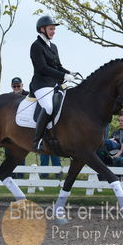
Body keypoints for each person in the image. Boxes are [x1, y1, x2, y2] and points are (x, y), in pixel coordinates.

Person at [30, 15, 75, 152]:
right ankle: (37, 141)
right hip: (41, 84)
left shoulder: (53, 46)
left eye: (54, 29)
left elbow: (58, 66)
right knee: (49, 107)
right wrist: (63, 75)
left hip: (54, 84)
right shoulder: (36, 46)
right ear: (42, 29)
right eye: (51, 29)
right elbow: (42, 68)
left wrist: (69, 73)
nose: (53, 31)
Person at [5, 77, 28, 178]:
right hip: (10, 127)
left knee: (21, 150)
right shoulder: (8, 97)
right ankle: (10, 173)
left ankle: (21, 173)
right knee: (9, 150)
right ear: (11, 86)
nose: (16, 87)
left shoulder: (28, 95)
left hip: (23, 126)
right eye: (14, 86)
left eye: (18, 86)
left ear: (22, 85)